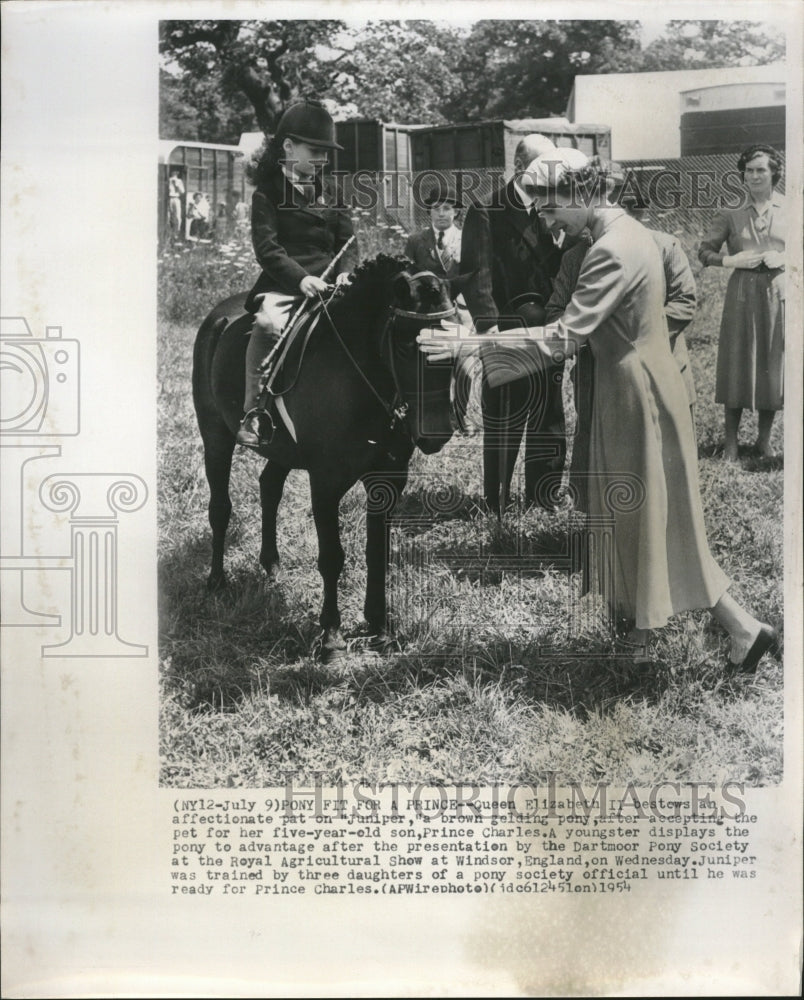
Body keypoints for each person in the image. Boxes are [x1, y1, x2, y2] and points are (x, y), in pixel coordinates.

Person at [420, 150, 779, 673]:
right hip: (631, 385)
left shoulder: (611, 249)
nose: (544, 221)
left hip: (636, 392)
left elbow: (567, 335)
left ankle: (719, 628)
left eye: (547, 209)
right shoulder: (626, 235)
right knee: (649, 515)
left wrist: (471, 347)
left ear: (579, 194)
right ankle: (708, 627)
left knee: (652, 516)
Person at [544, 177, 698, 509]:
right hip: (595, 370)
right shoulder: (577, 256)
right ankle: (595, 520)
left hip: (655, 365)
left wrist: (634, 331)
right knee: (596, 448)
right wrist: (584, 333)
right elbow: (556, 309)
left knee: (656, 461)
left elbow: (685, 303)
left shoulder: (665, 246)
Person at [459, 134, 588, 512]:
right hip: (507, 327)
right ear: (521, 166)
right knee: (504, 415)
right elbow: (475, 274)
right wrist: (488, 328)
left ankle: (543, 493)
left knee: (549, 412)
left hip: (550, 326)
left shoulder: (561, 204)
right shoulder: (488, 210)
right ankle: (495, 499)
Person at [237, 99, 357, 449]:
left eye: (326, 154)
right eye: (315, 151)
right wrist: (301, 279)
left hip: (333, 283)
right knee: (267, 325)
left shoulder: (333, 191)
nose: (322, 160)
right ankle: (253, 412)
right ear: (288, 147)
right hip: (288, 285)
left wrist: (346, 273)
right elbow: (268, 249)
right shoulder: (268, 193)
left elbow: (348, 242)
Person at [698, 144, 785, 461]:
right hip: (742, 296)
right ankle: (731, 444)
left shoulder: (792, 208)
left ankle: (763, 440)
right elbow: (704, 252)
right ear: (742, 175)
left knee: (771, 365)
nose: (754, 175)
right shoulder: (731, 211)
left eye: (761, 169)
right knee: (737, 364)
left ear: (774, 172)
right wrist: (732, 261)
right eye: (749, 170)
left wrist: (785, 256)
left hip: (777, 293)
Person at [168, 170, 184, 236]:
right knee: (169, 214)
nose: (174, 174)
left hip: (176, 198)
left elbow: (182, 191)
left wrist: (176, 185)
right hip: (169, 198)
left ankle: (177, 231)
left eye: (176, 173)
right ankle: (169, 231)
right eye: (173, 172)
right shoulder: (168, 180)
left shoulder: (179, 181)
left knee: (177, 215)